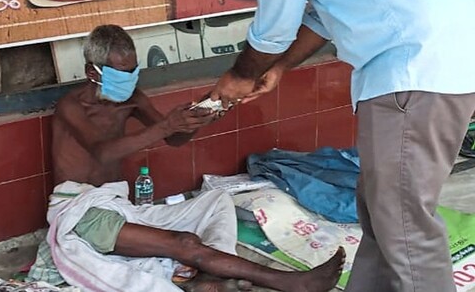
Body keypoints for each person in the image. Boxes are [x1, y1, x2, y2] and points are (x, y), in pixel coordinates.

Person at [207, 0, 475, 291]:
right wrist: (283, 66)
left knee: (404, 225)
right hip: (441, 53)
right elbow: (320, 11)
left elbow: (276, 21)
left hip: (415, 64)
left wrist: (241, 75)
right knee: (380, 208)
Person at [28, 24, 344, 292]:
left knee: (216, 203)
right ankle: (291, 283)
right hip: (80, 211)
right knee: (185, 244)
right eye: (120, 73)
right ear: (91, 72)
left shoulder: (131, 98)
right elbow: (102, 151)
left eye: (133, 70)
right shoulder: (72, 107)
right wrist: (167, 124)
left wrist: (202, 114)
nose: (129, 79)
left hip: (116, 205)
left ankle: (208, 277)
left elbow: (174, 138)